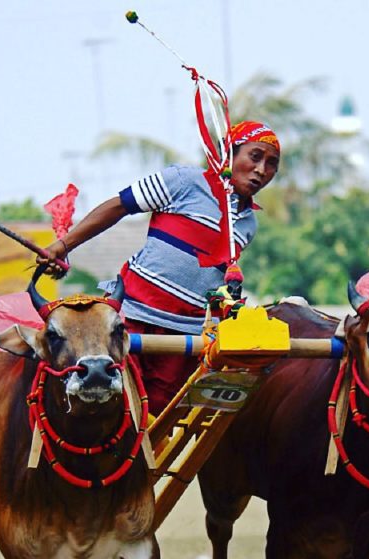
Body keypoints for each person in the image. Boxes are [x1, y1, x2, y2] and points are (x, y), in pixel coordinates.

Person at [37, 120, 280, 415]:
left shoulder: (248, 223)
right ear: (229, 153)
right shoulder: (184, 181)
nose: (261, 170)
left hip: (185, 334)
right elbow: (118, 206)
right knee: (108, 406)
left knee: (160, 415)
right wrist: (64, 246)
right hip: (132, 317)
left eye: (271, 164)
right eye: (255, 157)